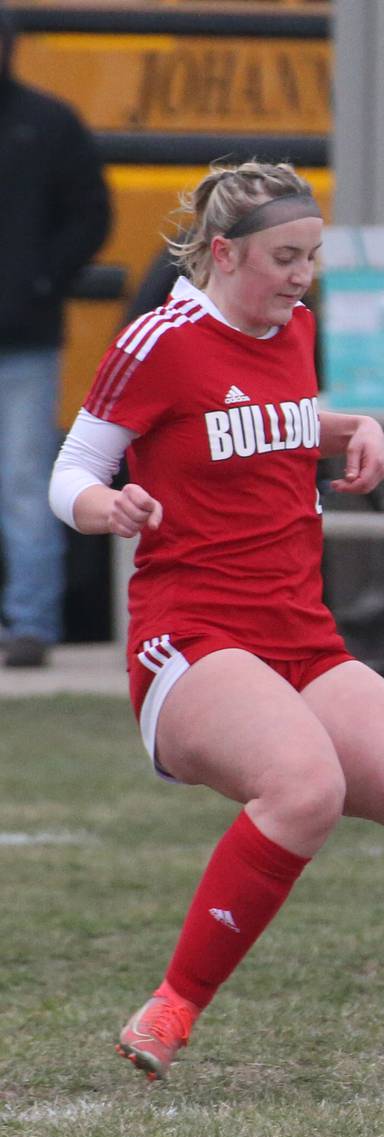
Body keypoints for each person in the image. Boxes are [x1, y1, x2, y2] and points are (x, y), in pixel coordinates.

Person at [47, 161, 384, 1106]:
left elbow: (264, 421)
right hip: (190, 639)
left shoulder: (291, 331)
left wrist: (351, 426)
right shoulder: (160, 339)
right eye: (284, 258)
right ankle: (172, 1007)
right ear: (223, 252)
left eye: (312, 258)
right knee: (305, 787)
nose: (303, 278)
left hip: (301, 634)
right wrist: (106, 505)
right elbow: (71, 468)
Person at [0, 7, 111, 667]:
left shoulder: (49, 124)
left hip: (25, 338)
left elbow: (91, 215)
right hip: (29, 328)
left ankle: (32, 624)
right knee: (22, 482)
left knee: (23, 482)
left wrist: (40, 282)